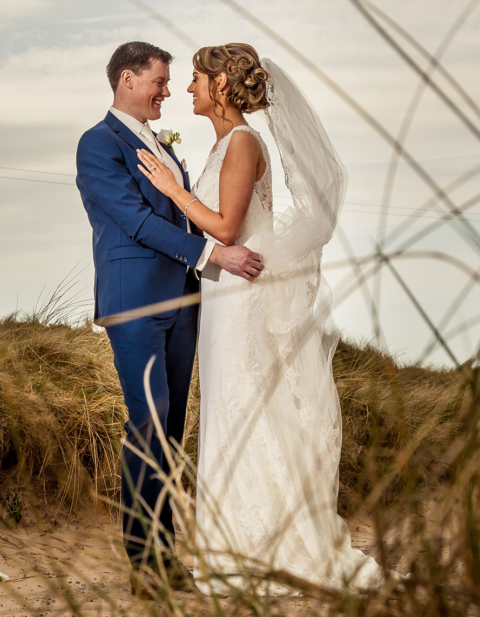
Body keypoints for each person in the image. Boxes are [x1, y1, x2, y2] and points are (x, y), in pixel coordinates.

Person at [136, 43, 405, 595]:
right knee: (231, 413)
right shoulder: (220, 147)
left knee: (243, 412)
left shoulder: (242, 143)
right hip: (221, 296)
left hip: (240, 300)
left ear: (223, 88)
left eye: (195, 80)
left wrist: (171, 190)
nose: (188, 89)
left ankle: (256, 549)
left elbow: (227, 228)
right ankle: (231, 543)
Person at [74, 41, 264, 599]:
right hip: (134, 301)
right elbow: (133, 220)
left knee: (172, 432)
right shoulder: (98, 144)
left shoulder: (162, 146)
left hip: (183, 302)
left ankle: (164, 550)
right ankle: (144, 563)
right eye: (159, 81)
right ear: (128, 79)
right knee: (148, 424)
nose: (166, 92)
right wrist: (213, 254)